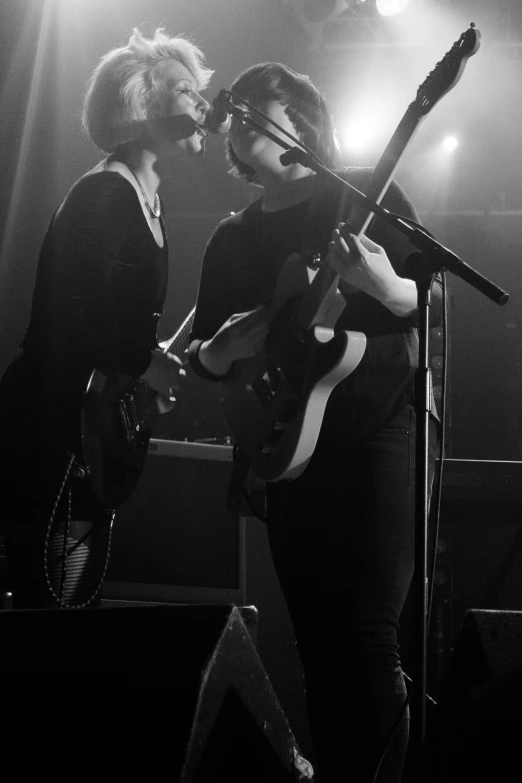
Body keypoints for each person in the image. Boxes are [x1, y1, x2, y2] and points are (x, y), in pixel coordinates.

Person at [188, 63, 442, 782]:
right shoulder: (232, 238)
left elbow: (427, 301)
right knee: (316, 640)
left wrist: (386, 286)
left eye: (255, 110)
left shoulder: (365, 192)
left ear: (301, 119)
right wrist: (217, 349)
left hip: (373, 435)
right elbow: (206, 361)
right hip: (287, 449)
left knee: (369, 636)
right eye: (232, 117)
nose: (238, 123)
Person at [0, 28, 212, 610]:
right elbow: (72, 311)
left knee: (73, 591)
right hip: (49, 413)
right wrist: (145, 364)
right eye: (184, 90)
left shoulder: (147, 197)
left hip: (86, 416)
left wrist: (145, 371)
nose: (202, 104)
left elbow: (116, 322)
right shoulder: (106, 195)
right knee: (45, 595)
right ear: (140, 105)